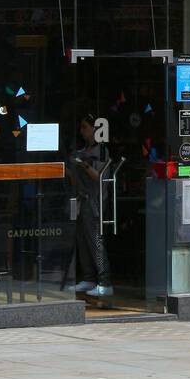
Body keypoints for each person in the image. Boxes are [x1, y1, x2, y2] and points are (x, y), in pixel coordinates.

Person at [68, 114, 113, 298]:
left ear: (95, 129)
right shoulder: (80, 151)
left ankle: (105, 281)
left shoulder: (101, 151)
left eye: (85, 127)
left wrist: (84, 166)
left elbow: (101, 177)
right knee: (82, 240)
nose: (82, 131)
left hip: (94, 201)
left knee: (95, 241)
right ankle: (88, 277)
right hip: (81, 199)